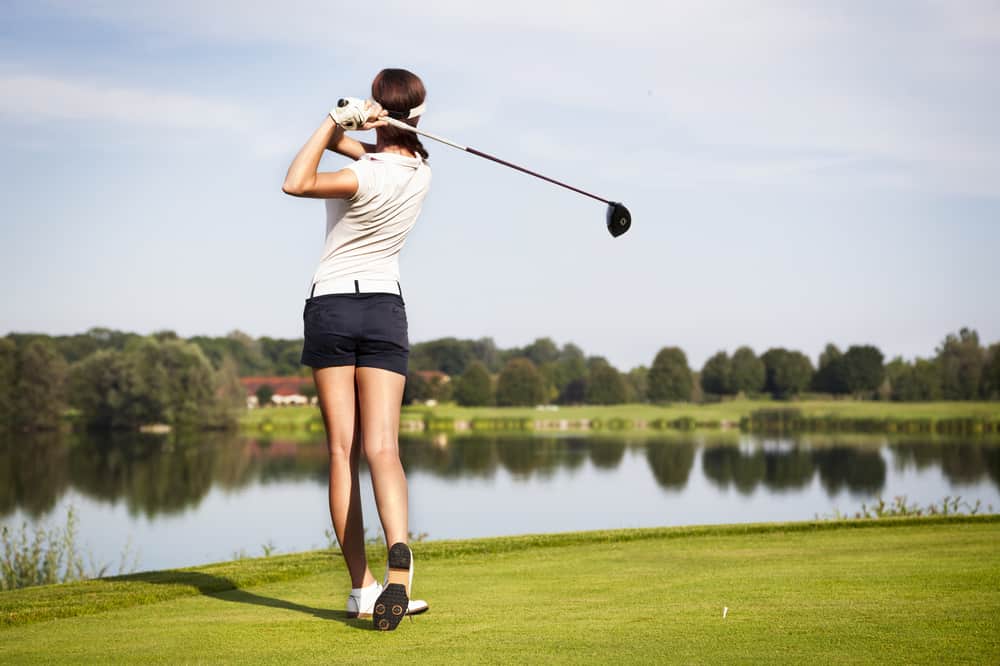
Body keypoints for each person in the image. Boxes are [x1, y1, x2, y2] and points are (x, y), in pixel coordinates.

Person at [282, 68, 431, 631]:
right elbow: (375, 148)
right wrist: (364, 122)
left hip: (333, 307)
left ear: (383, 112)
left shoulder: (357, 177)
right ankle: (401, 562)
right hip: (384, 310)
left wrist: (331, 119)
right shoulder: (419, 172)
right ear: (416, 116)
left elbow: (296, 181)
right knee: (384, 449)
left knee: (342, 451)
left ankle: (361, 588)